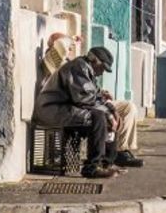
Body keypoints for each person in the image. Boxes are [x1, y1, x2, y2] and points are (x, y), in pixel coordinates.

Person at [32, 45, 144, 178]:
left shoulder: (86, 69)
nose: (102, 72)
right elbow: (85, 99)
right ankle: (92, 167)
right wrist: (110, 113)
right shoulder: (78, 67)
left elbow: (93, 95)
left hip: (64, 108)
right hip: (52, 109)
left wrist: (111, 110)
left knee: (104, 117)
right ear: (94, 60)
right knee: (99, 117)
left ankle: (107, 162)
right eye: (102, 68)